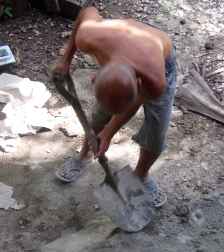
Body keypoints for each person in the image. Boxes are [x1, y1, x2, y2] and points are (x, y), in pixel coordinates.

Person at [50, 6, 177, 208]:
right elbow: (87, 10)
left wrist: (108, 134)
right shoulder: (88, 36)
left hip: (159, 56)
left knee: (157, 132)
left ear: (137, 84)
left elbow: (132, 105)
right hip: (121, 39)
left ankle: (141, 175)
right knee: (99, 114)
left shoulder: (155, 81)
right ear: (95, 78)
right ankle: (86, 153)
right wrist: (66, 60)